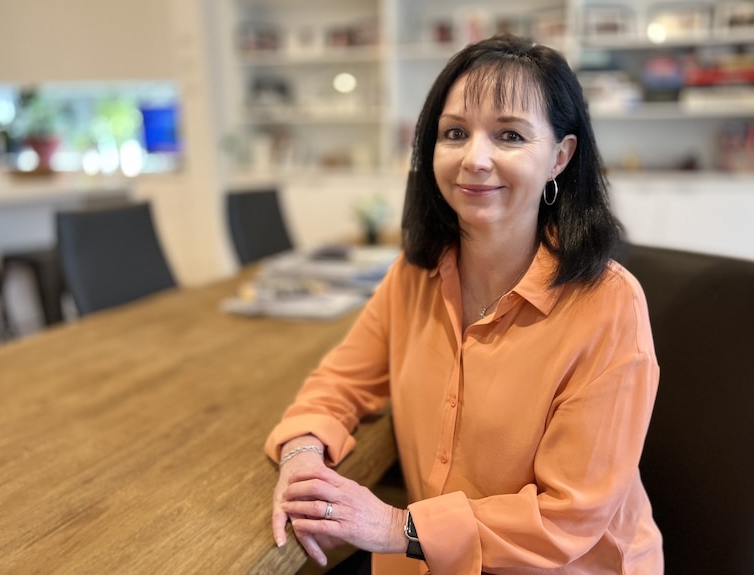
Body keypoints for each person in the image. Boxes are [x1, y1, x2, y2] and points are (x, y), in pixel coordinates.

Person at [265, 34, 663, 574]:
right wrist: (303, 453)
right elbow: (339, 382)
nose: (475, 158)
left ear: (559, 157)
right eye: (455, 133)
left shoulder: (608, 306)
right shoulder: (414, 275)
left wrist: (393, 527)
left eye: (510, 135)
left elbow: (567, 518)